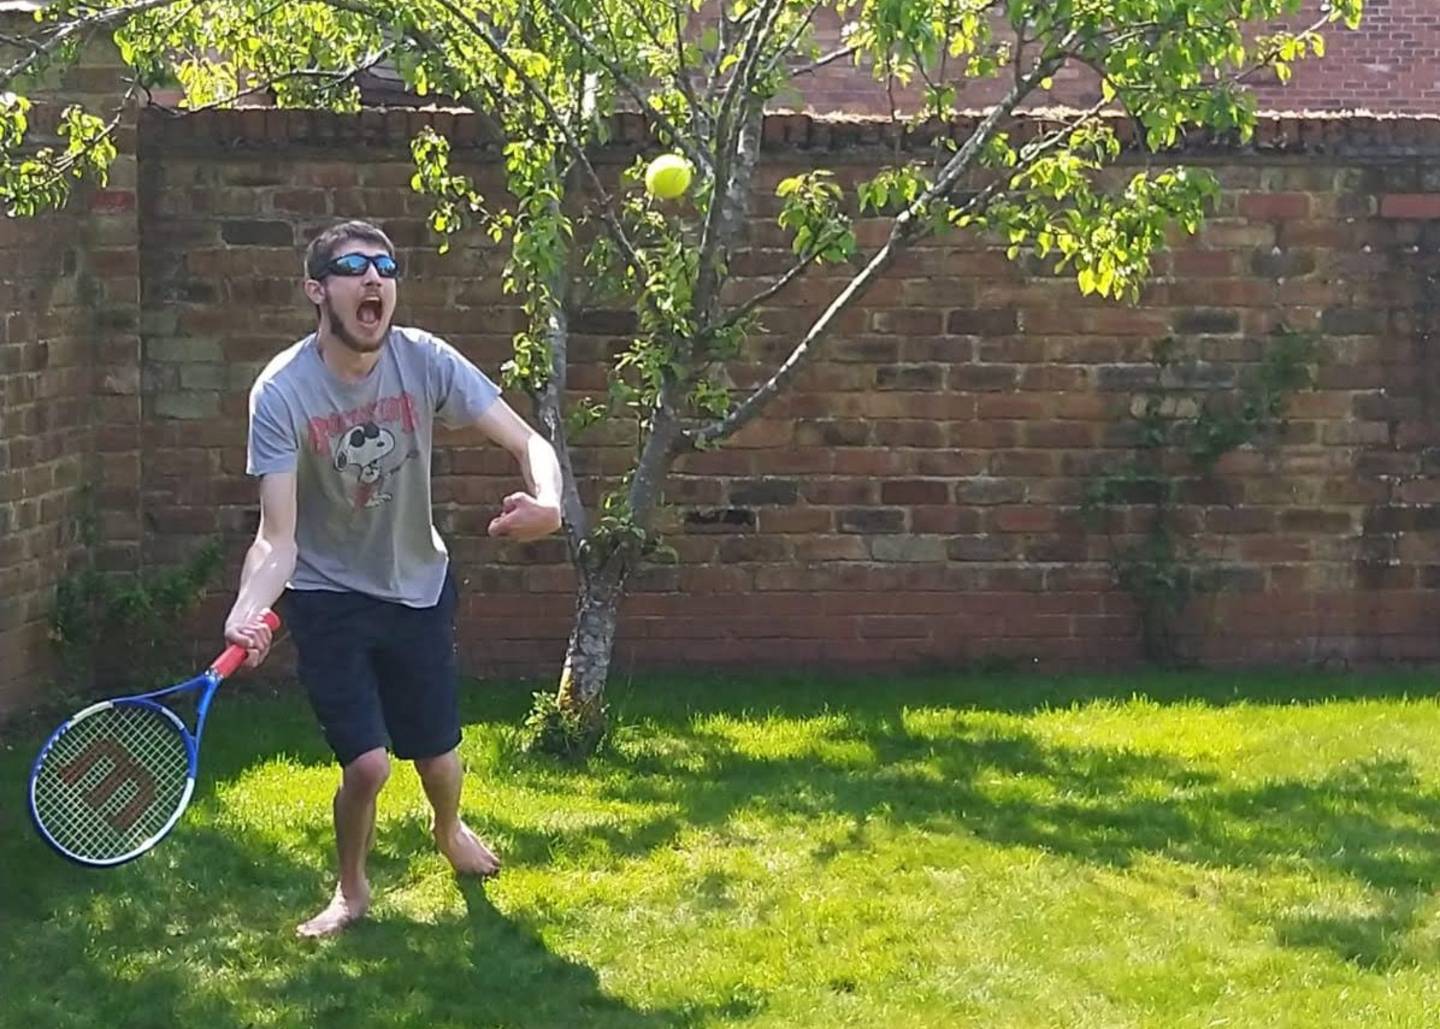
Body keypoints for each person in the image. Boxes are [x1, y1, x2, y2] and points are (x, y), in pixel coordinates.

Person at [222, 219, 563, 938]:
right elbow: (276, 536)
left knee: (438, 756)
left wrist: (551, 502)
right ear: (318, 290)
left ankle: (448, 827)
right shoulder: (282, 392)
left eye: (385, 265)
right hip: (328, 595)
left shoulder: (424, 360)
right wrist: (248, 608)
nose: (373, 278)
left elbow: (528, 439)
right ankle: (351, 888)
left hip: (417, 585)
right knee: (370, 765)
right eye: (352, 267)